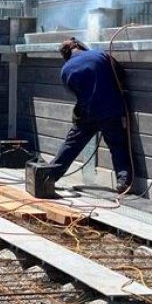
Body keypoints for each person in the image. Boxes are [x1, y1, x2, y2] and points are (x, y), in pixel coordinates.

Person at [46, 37, 133, 194]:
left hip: (87, 114)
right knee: (117, 145)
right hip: (112, 110)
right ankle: (123, 181)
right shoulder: (100, 55)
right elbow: (121, 74)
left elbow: (75, 92)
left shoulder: (65, 70)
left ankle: (49, 177)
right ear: (79, 45)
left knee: (71, 145)